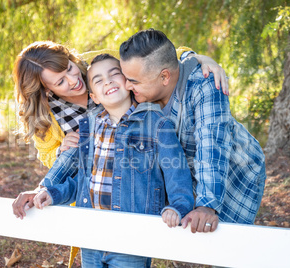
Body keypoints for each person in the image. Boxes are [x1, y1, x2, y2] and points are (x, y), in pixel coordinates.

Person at [32, 54, 194, 268]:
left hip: (131, 236)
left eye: (114, 74)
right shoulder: (90, 129)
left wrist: (178, 206)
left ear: (128, 82)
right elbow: (83, 181)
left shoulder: (156, 124)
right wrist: (53, 194)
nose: (107, 81)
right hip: (91, 237)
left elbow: (176, 173)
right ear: (95, 97)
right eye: (98, 80)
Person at [119, 29, 266, 233]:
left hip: (235, 169)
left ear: (164, 77)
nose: (126, 85)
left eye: (133, 81)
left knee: (228, 244)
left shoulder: (205, 84)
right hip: (188, 168)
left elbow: (212, 145)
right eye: (126, 78)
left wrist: (206, 205)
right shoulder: (143, 85)